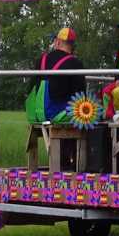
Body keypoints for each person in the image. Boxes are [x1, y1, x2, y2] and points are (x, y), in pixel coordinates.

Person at [28, 27, 85, 168]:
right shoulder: (75, 64)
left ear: (58, 42)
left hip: (38, 114)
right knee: (89, 117)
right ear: (72, 45)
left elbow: (30, 88)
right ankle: (75, 164)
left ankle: (61, 161)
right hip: (58, 114)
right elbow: (81, 95)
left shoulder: (41, 60)